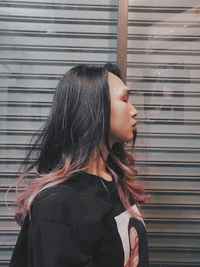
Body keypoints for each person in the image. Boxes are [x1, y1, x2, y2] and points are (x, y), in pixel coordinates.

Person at [10, 63, 149, 267]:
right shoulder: (59, 204)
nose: (134, 111)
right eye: (125, 100)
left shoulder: (112, 181)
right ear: (94, 108)